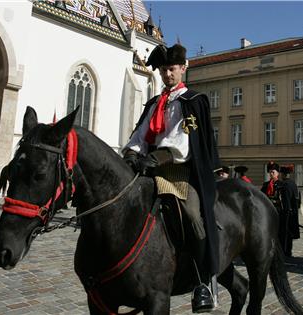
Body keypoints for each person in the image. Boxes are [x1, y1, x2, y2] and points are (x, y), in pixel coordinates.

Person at [121, 43, 220, 313]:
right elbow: (142, 134)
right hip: (147, 168)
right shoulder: (155, 103)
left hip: (177, 171)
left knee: (191, 214)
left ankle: (202, 283)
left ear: (183, 68)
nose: (167, 75)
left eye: (172, 69)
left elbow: (185, 142)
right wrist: (132, 152)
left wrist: (160, 157)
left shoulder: (193, 101)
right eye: (164, 70)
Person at [278, 165, 300, 257]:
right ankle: (288, 251)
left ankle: (285, 251)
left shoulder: (285, 184)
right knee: (289, 234)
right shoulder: (293, 183)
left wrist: (284, 211)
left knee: (284, 233)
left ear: (282, 174)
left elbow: (286, 200)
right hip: (293, 211)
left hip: (286, 212)